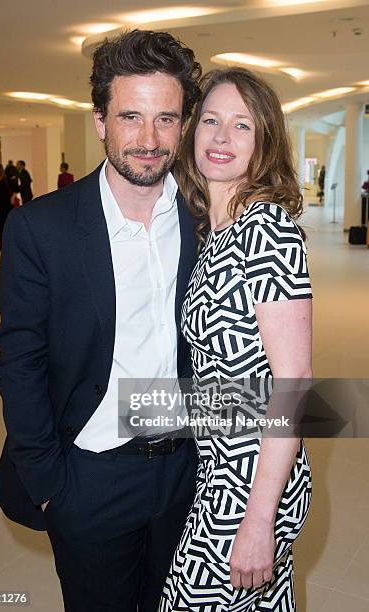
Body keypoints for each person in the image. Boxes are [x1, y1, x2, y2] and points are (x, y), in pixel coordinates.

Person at [0, 29, 202, 612]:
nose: (148, 139)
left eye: (166, 119)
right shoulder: (43, 229)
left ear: (183, 125)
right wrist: (50, 486)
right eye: (130, 116)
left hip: (189, 472)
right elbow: (20, 362)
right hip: (90, 475)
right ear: (100, 122)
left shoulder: (205, 220)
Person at [160, 68, 313, 611]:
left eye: (242, 125)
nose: (222, 138)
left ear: (264, 141)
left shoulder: (266, 228)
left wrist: (257, 521)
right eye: (211, 121)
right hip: (219, 466)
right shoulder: (215, 231)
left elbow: (294, 385)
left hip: (248, 485)